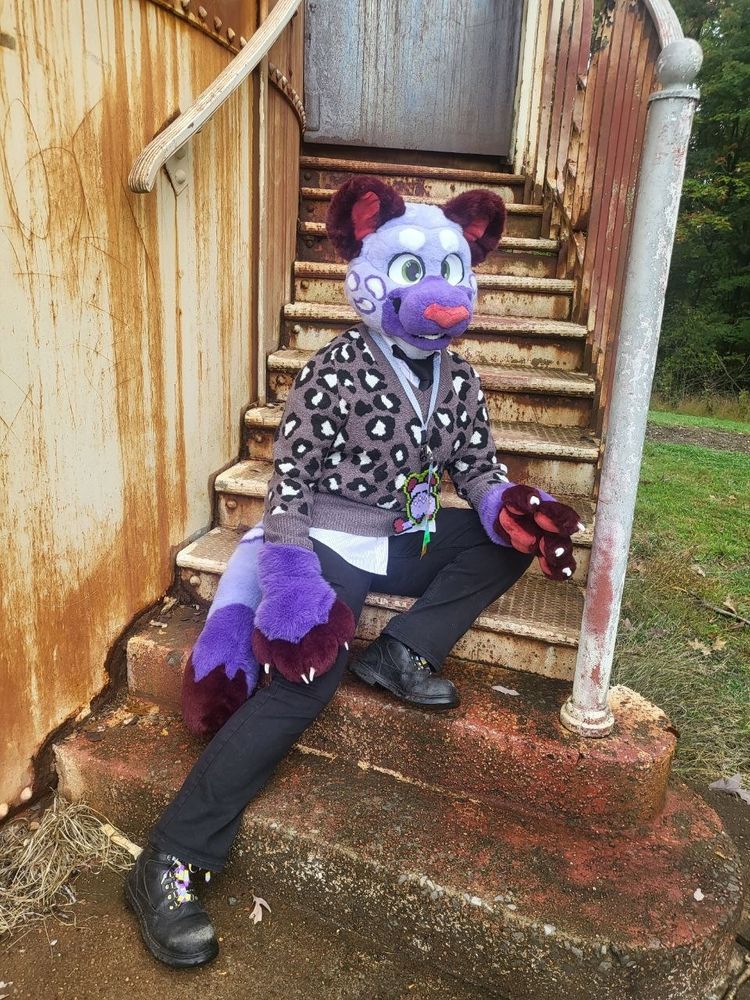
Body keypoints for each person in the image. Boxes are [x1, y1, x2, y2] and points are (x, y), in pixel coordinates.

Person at [125, 178, 580, 967]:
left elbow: (475, 468)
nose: (438, 298)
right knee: (305, 683)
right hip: (331, 540)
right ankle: (168, 858)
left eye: (451, 275)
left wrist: (508, 501)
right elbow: (289, 483)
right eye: (414, 274)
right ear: (370, 268)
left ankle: (402, 651)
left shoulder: (461, 378)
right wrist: (293, 571)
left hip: (406, 534)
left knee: (503, 540)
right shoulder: (334, 368)